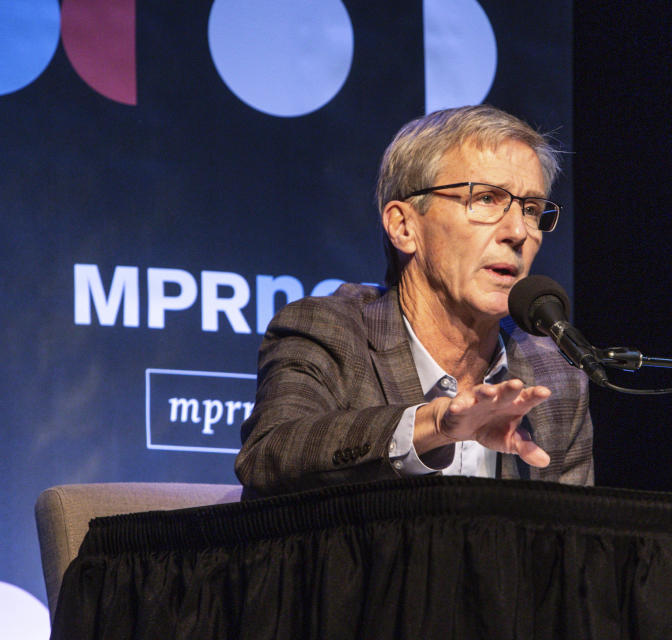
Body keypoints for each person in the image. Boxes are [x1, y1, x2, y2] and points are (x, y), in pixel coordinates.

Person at [236, 105, 593, 496]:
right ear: (404, 227)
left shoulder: (554, 377)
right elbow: (271, 455)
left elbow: (571, 546)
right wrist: (434, 425)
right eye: (487, 199)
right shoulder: (331, 333)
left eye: (531, 209)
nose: (518, 232)